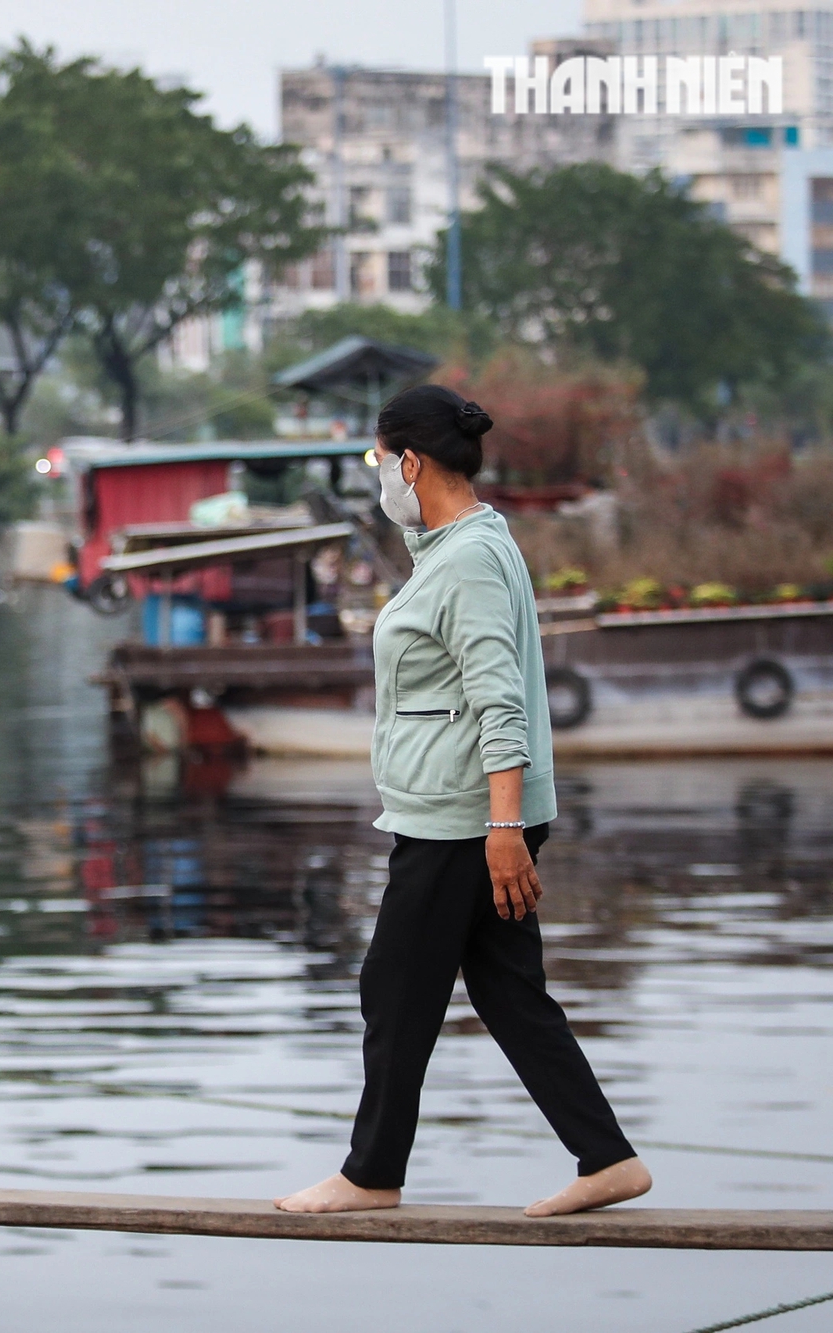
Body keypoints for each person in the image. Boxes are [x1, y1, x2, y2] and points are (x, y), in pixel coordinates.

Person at [275, 384, 651, 1219]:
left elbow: (497, 696)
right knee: (508, 989)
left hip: (464, 819)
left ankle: (372, 1173)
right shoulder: (459, 544)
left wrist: (505, 826)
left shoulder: (471, 556)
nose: (379, 477)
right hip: (468, 815)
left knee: (393, 985)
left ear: (410, 461)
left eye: (379, 460)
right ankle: (609, 1156)